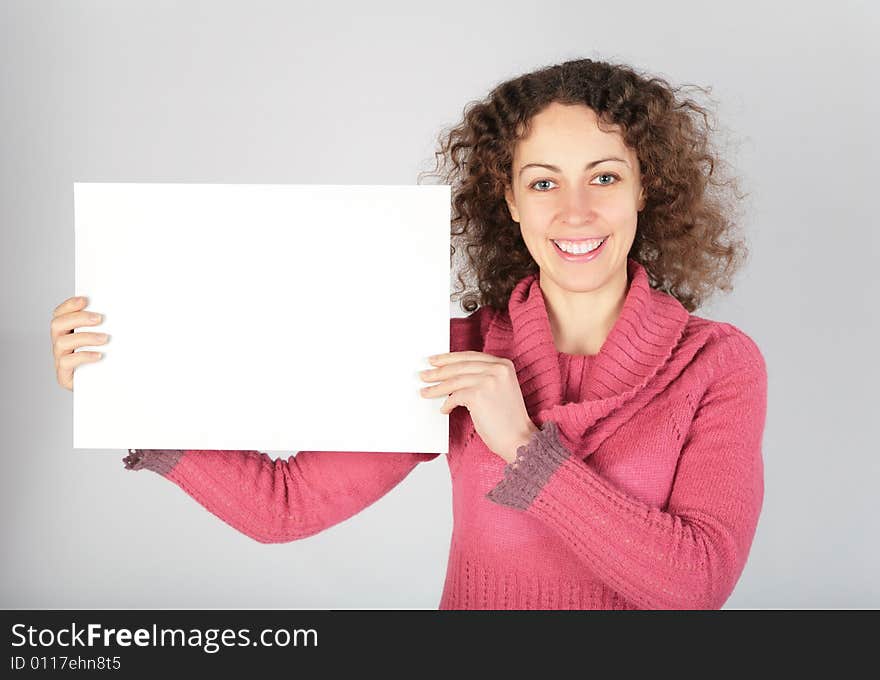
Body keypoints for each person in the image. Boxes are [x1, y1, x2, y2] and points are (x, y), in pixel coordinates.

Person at [49, 57, 767, 610]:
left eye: (604, 178)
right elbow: (286, 505)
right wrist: (126, 387)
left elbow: (696, 582)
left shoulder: (717, 363)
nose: (575, 211)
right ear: (510, 201)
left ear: (647, 188)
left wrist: (522, 446)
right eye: (544, 183)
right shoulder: (455, 351)